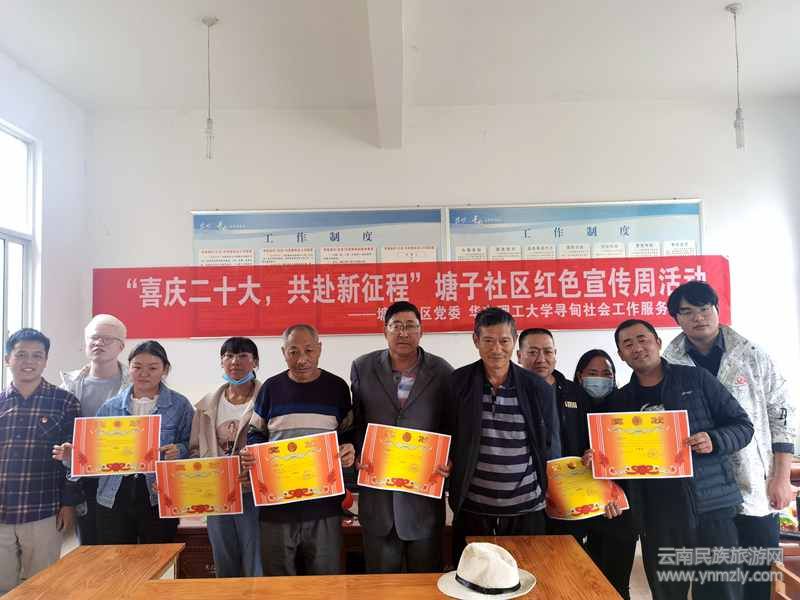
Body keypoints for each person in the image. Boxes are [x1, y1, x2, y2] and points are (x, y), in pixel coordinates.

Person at [664, 281, 797, 600]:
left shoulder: (752, 354)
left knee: (757, 574)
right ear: (677, 318)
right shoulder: (669, 363)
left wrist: (781, 477)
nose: (698, 317)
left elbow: (782, 414)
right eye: (687, 311)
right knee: (714, 577)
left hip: (754, 482)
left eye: (704, 308)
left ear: (717, 309)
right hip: (704, 491)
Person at [606, 319, 754, 600]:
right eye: (628, 344)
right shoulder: (620, 401)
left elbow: (743, 426)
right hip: (657, 516)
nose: (637, 348)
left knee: (721, 590)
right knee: (667, 592)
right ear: (621, 355)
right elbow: (617, 462)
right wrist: (601, 460)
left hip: (711, 508)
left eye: (642, 339)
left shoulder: (696, 379)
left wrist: (714, 440)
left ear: (658, 342)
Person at [53, 340, 194, 544]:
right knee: (115, 557)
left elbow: (193, 444)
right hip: (113, 493)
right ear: (130, 368)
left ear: (165, 370)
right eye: (137, 367)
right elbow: (94, 454)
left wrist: (179, 450)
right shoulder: (110, 407)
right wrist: (72, 456)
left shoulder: (179, 405)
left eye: (152, 368)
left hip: (158, 493)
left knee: (157, 556)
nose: (144, 373)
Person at [243, 324, 355, 576]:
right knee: (279, 584)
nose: (302, 359)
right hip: (276, 506)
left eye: (309, 350)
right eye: (293, 352)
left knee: (326, 581)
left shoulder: (337, 387)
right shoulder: (271, 388)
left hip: (324, 506)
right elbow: (255, 433)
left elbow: (348, 433)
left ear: (319, 349)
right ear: (284, 352)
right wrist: (254, 453)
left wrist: (350, 448)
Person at [447, 307, 556, 564]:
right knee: (474, 578)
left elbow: (548, 443)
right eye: (488, 340)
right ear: (476, 340)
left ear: (514, 340)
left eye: (504, 341)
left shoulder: (537, 388)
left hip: (526, 509)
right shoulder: (457, 383)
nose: (497, 349)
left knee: (527, 575)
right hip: (473, 508)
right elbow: (447, 435)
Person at [351, 301, 453, 573]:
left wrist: (450, 458)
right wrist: (359, 452)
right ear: (385, 331)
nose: (403, 333)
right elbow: (356, 421)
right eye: (396, 326)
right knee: (381, 585)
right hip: (378, 500)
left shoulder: (443, 371)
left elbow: (451, 425)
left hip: (423, 499)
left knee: (424, 582)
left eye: (411, 326)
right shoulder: (362, 367)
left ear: (422, 331)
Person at [0, 329, 81, 594]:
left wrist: (68, 504)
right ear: (7, 359)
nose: (29, 361)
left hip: (44, 510)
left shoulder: (65, 402)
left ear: (46, 361)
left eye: (37, 355)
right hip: (1, 510)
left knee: (43, 587)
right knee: (3, 586)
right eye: (21, 354)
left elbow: (74, 460)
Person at [189, 337, 262, 577]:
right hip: (217, 494)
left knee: (257, 561)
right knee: (224, 561)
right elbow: (195, 450)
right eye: (228, 356)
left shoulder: (268, 399)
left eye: (243, 356)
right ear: (221, 362)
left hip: (254, 494)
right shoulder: (205, 406)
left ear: (255, 362)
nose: (235, 362)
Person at [570, 349, 638, 600]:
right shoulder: (566, 405)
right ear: (580, 376)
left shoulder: (626, 405)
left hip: (618, 509)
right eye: (593, 373)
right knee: (580, 581)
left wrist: (618, 497)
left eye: (606, 373)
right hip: (576, 507)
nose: (600, 378)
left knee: (615, 584)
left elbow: (637, 457)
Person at [60, 314, 129, 545]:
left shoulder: (135, 384)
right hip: (84, 480)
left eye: (107, 339)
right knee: (89, 547)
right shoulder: (68, 386)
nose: (99, 343)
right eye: (94, 338)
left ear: (121, 346)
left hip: (123, 478)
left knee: (124, 550)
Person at [517, 328, 573, 456]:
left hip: (568, 467)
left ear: (555, 354)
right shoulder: (509, 392)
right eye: (533, 352)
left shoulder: (574, 392)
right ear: (519, 356)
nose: (541, 359)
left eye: (548, 352)